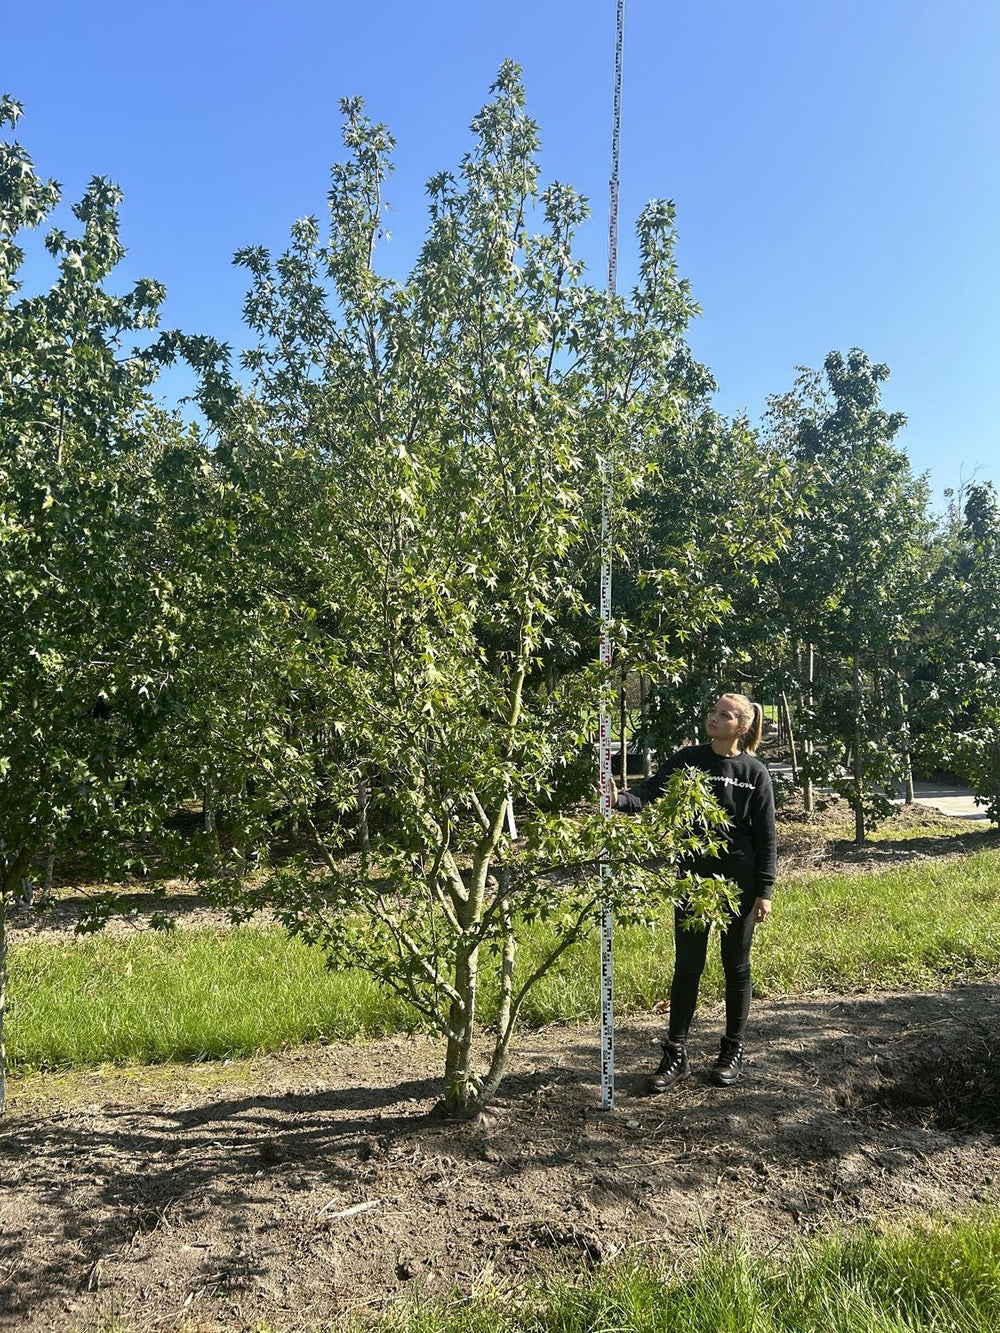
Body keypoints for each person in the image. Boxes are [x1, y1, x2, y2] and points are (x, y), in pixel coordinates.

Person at [615, 692, 776, 1092]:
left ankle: (732, 1050)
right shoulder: (690, 760)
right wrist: (617, 799)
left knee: (735, 967)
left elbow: (767, 836)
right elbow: (650, 791)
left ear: (743, 726)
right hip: (692, 881)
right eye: (713, 712)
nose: (714, 718)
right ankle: (675, 1054)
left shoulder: (754, 772)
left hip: (738, 884)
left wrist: (764, 890)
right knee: (687, 966)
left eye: (725, 715)